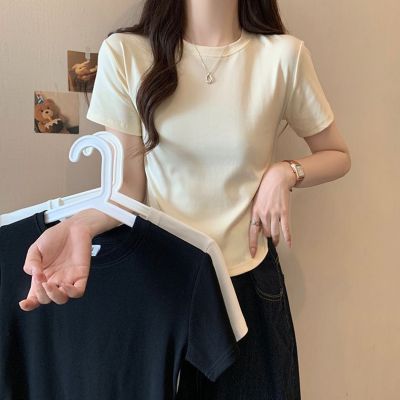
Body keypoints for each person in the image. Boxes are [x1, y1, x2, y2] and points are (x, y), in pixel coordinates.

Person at [19, 0, 351, 398]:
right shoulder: (126, 53)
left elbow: (338, 155)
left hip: (248, 280)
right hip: (162, 284)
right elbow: (127, 191)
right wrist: (77, 227)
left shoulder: (283, 56)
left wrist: (285, 172)